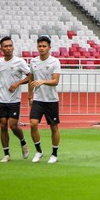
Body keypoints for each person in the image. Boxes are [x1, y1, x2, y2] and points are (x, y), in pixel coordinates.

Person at [0, 36, 30, 163]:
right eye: (5, 46)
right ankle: (6, 154)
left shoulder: (20, 62)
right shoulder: (0, 62)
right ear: (1, 48)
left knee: (13, 125)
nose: (8, 48)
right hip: (1, 98)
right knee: (2, 125)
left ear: (13, 47)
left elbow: (30, 76)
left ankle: (23, 142)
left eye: (10, 45)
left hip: (14, 99)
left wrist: (17, 83)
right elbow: (0, 76)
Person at [27, 35, 61, 164]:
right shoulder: (33, 61)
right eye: (40, 46)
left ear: (49, 48)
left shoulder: (55, 62)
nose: (41, 48)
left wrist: (43, 82)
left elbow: (56, 81)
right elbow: (30, 79)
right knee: (33, 124)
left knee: (54, 127)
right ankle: (39, 151)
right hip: (38, 99)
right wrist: (30, 95)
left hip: (51, 99)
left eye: (44, 46)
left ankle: (54, 154)